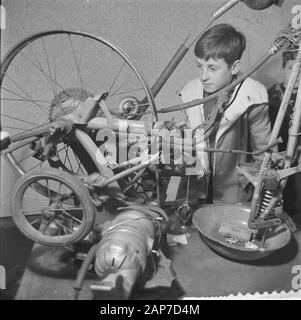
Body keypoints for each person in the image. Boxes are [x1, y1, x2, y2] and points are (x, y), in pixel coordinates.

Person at [178, 23, 272, 204]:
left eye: (212, 68)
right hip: (196, 187)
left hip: (233, 193)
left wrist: (261, 195)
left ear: (234, 67)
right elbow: (190, 140)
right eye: (199, 66)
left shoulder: (252, 97)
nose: (203, 76)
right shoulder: (190, 92)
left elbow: (265, 155)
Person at [268, 44, 301, 222]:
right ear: (282, 69)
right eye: (291, 68)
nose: (296, 74)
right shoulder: (268, 98)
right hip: (274, 165)